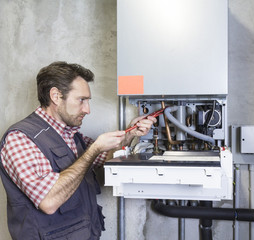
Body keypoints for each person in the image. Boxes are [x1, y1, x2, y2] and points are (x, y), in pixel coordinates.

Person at [0, 61, 156, 240]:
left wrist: (130, 133)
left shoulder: (71, 134)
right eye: (81, 100)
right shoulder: (20, 138)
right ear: (56, 96)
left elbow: (106, 156)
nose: (87, 110)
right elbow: (48, 201)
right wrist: (94, 148)